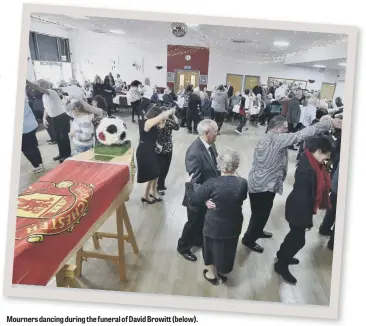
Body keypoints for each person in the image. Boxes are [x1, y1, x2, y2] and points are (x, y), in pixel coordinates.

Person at [242, 115, 342, 253]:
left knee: (261, 213)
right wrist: (329, 123)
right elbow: (302, 134)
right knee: (259, 215)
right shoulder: (277, 139)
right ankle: (248, 239)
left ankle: (257, 230)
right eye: (284, 128)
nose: (287, 131)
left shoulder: (266, 137)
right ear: (277, 128)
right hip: (264, 187)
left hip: (259, 183)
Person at [275, 135, 334, 285]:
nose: (327, 159)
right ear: (319, 151)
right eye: (326, 155)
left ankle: (282, 255)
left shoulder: (310, 160)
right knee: (298, 240)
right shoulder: (308, 170)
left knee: (294, 236)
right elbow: (303, 199)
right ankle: (281, 265)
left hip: (298, 207)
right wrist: (307, 221)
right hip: (298, 210)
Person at [185, 148, 248, 285]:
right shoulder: (242, 183)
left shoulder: (212, 183)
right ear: (236, 165)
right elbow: (240, 197)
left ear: (219, 165)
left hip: (214, 226)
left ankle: (211, 274)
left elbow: (194, 200)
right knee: (228, 248)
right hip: (233, 225)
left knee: (210, 249)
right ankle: (222, 269)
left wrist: (189, 185)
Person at [177, 119, 220, 262]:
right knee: (193, 222)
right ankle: (183, 247)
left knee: (201, 220)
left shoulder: (210, 145)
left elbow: (214, 163)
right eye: (216, 131)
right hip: (197, 196)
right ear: (207, 133)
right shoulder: (195, 152)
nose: (218, 134)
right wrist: (204, 199)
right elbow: (193, 181)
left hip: (207, 191)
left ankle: (197, 240)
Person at [136, 105, 176, 204]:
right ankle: (145, 195)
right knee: (152, 174)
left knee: (155, 174)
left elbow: (162, 125)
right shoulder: (146, 122)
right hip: (145, 151)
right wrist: (169, 112)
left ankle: (152, 192)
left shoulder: (152, 123)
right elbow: (160, 118)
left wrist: (166, 118)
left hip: (152, 149)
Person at [26, 79, 71, 163]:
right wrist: (44, 118)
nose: (36, 89)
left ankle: (67, 155)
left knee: (63, 137)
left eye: (39, 86)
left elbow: (38, 88)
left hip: (61, 117)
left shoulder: (52, 92)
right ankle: (61, 154)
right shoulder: (44, 96)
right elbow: (46, 108)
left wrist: (27, 82)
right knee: (58, 138)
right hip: (54, 118)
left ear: (44, 86)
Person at [156, 109, 180, 195]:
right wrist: (173, 115)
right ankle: (160, 186)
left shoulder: (156, 122)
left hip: (159, 148)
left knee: (162, 168)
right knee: (164, 168)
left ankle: (160, 184)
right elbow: (177, 126)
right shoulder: (168, 122)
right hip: (167, 148)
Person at [22, 92, 44, 173]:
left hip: (23, 128)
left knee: (26, 149)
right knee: (33, 146)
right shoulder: (22, 98)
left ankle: (36, 166)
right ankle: (40, 163)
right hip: (31, 124)